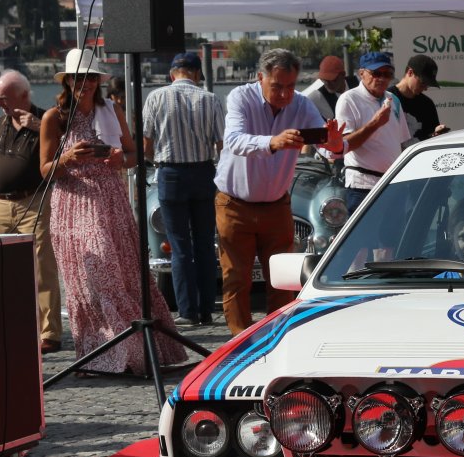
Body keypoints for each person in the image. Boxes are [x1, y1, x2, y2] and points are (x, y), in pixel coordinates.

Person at [38, 50, 186, 374]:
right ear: (67, 81)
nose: (87, 83)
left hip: (110, 198)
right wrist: (69, 158)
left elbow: (135, 155)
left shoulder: (111, 109)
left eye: (92, 77)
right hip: (73, 202)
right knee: (89, 276)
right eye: (80, 78)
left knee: (122, 273)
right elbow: (45, 170)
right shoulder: (54, 117)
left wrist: (121, 158)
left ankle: (133, 353)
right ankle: (102, 354)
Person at [216, 47, 344, 335]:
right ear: (260, 77)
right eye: (277, 86)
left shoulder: (301, 104)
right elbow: (233, 140)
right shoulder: (240, 97)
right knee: (236, 278)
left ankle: (279, 338)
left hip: (276, 204)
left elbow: (329, 146)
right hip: (235, 204)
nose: (285, 94)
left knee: (283, 280)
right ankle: (241, 342)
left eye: (290, 86)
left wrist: (334, 143)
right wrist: (273, 142)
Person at [0, 71, 62, 352]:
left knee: (41, 267)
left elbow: (65, 153)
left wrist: (39, 127)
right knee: (6, 270)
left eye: (4, 98)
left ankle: (49, 333)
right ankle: (15, 326)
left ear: (24, 95)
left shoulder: (48, 119)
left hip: (35, 201)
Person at [143, 51, 225, 326]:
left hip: (171, 174)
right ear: (198, 74)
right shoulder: (210, 99)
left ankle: (187, 311)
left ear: (172, 74)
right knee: (205, 244)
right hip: (203, 173)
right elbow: (221, 144)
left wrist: (157, 160)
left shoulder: (155, 97)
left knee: (179, 247)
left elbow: (146, 144)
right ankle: (206, 309)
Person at [335, 51, 416, 213]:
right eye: (376, 73)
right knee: (365, 231)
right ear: (361, 74)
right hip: (363, 187)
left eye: (387, 74)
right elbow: (344, 146)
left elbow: (401, 143)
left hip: (393, 184)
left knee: (395, 230)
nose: (382, 78)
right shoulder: (348, 99)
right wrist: (375, 124)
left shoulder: (393, 99)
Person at [394, 54, 451, 141]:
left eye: (428, 84)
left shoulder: (427, 104)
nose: (425, 88)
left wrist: (436, 133)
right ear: (410, 72)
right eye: (423, 82)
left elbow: (430, 137)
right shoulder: (388, 98)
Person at [301, 55, 348, 122]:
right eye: (324, 79)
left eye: (332, 79)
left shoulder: (357, 84)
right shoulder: (315, 97)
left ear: (343, 74)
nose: (327, 83)